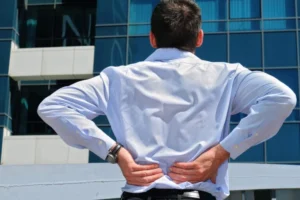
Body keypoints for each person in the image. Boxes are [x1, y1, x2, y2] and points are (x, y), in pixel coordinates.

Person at [37, 0, 297, 199]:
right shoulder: (227, 76)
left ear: (152, 38)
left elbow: (53, 106)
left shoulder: (117, 78)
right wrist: (222, 152)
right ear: (199, 37)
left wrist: (115, 152)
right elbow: (282, 98)